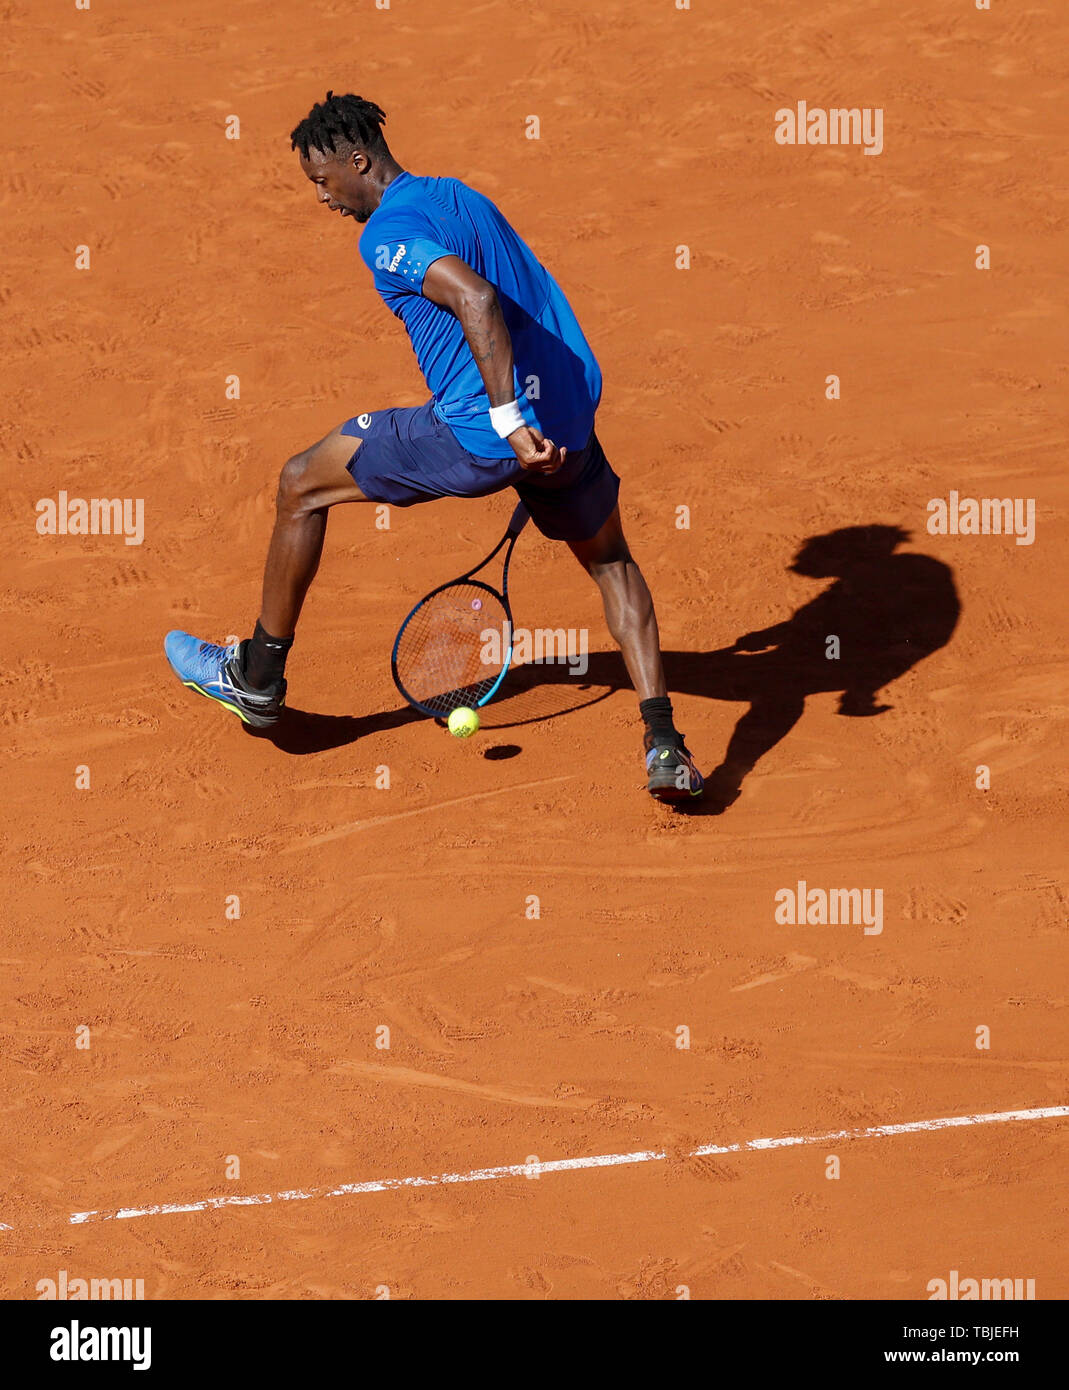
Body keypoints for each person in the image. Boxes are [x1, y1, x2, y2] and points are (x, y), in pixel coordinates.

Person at [164, 92, 703, 802]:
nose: (323, 199)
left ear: (358, 161)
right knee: (609, 561)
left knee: (301, 481)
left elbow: (476, 299)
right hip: (567, 425)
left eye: (323, 182)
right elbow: (529, 299)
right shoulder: (462, 197)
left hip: (484, 431)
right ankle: (662, 740)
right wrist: (539, 426)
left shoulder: (383, 234)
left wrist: (509, 424)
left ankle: (257, 676)